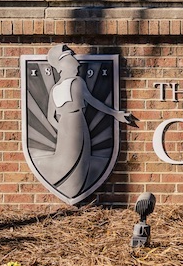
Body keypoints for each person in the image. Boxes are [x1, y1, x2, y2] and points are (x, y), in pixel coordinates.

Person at [36, 44, 135, 199]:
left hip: (64, 127)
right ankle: (74, 185)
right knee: (80, 158)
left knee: (71, 157)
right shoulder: (76, 82)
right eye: (71, 59)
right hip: (77, 122)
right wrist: (114, 113)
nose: (77, 63)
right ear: (61, 65)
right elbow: (94, 102)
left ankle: (68, 183)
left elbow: (50, 117)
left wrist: (62, 130)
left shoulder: (55, 88)